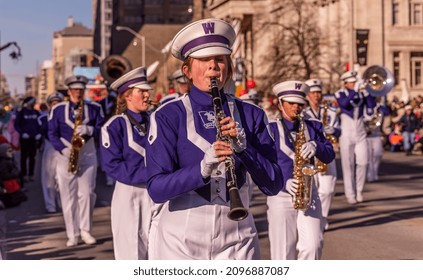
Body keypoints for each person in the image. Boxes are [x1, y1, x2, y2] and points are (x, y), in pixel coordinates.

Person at [145, 18, 282, 260]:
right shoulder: (168, 115)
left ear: (228, 66)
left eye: (220, 59)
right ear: (187, 70)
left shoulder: (252, 114)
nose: (213, 67)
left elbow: (273, 184)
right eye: (204, 60)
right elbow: (156, 189)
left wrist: (245, 150)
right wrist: (202, 169)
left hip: (238, 237)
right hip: (181, 237)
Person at [267, 81, 335, 260]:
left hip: (308, 192)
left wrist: (316, 146)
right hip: (281, 195)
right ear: (280, 103)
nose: (296, 107)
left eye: (300, 104)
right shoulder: (270, 128)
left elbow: (329, 155)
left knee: (314, 245)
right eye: (291, 103)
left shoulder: (313, 126)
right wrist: (282, 182)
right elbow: (263, 164)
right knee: (283, 253)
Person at [100, 67, 155, 260]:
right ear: (127, 96)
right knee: (130, 250)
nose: (147, 95)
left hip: (157, 190)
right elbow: (112, 164)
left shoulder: (157, 121)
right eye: (142, 91)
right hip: (130, 190)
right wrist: (151, 174)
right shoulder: (114, 125)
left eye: (147, 91)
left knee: (157, 247)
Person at [48, 75, 105, 247]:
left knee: (87, 193)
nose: (78, 93)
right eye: (75, 90)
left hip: (87, 153)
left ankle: (86, 230)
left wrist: (90, 129)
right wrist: (62, 148)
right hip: (66, 155)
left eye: (81, 90)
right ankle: (72, 233)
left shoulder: (94, 108)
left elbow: (103, 128)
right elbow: (51, 132)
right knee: (67, 196)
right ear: (69, 91)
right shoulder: (57, 109)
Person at [303, 78, 340, 230]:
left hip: (326, 152)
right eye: (313, 92)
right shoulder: (303, 113)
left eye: (318, 92)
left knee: (328, 189)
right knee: (312, 188)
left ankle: (323, 216)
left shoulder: (330, 111)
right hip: (310, 154)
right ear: (307, 95)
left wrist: (334, 131)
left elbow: (339, 130)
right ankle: (313, 219)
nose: (316, 95)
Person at [334, 70, 376, 204]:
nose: (354, 84)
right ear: (346, 84)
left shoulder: (361, 95)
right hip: (346, 134)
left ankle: (359, 190)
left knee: (363, 162)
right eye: (352, 82)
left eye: (355, 82)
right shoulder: (340, 94)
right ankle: (350, 193)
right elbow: (344, 104)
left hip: (360, 133)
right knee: (348, 165)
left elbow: (371, 106)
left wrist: (369, 93)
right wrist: (354, 92)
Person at [38, 92, 64, 213]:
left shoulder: (67, 116)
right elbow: (44, 131)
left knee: (63, 178)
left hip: (64, 148)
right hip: (50, 147)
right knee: (48, 177)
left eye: (58, 103)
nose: (56, 106)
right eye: (54, 104)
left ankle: (63, 202)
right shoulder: (43, 117)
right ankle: (50, 204)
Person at [14, 96, 41, 182]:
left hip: (33, 138)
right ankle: (23, 174)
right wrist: (22, 133)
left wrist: (39, 133)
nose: (34, 103)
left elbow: (39, 124)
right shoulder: (22, 112)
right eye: (33, 102)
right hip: (24, 138)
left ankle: (31, 174)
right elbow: (16, 125)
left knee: (32, 156)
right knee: (24, 156)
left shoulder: (36, 113)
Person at [364, 100, 389, 182]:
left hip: (376, 134)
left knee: (378, 154)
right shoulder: (363, 105)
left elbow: (387, 113)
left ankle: (374, 171)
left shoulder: (379, 107)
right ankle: (369, 174)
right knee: (369, 156)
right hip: (366, 135)